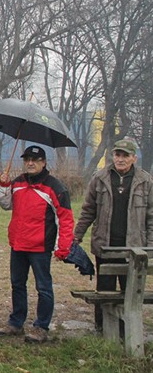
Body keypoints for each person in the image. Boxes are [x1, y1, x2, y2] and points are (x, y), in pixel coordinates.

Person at [0, 145, 74, 343]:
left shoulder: (55, 187)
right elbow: (5, 205)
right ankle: (16, 323)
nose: (30, 163)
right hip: (18, 244)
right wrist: (4, 186)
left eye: (35, 160)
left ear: (44, 163)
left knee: (43, 287)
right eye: (27, 159)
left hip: (40, 247)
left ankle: (41, 326)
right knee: (17, 284)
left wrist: (62, 247)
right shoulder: (18, 182)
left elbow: (65, 219)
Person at [74, 138, 153, 332]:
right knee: (105, 290)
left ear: (134, 158)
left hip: (134, 247)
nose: (120, 159)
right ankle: (102, 328)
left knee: (130, 291)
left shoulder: (146, 181)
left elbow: (151, 216)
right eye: (117, 154)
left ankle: (127, 329)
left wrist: (150, 246)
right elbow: (88, 211)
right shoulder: (99, 178)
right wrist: (76, 237)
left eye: (125, 155)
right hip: (105, 245)